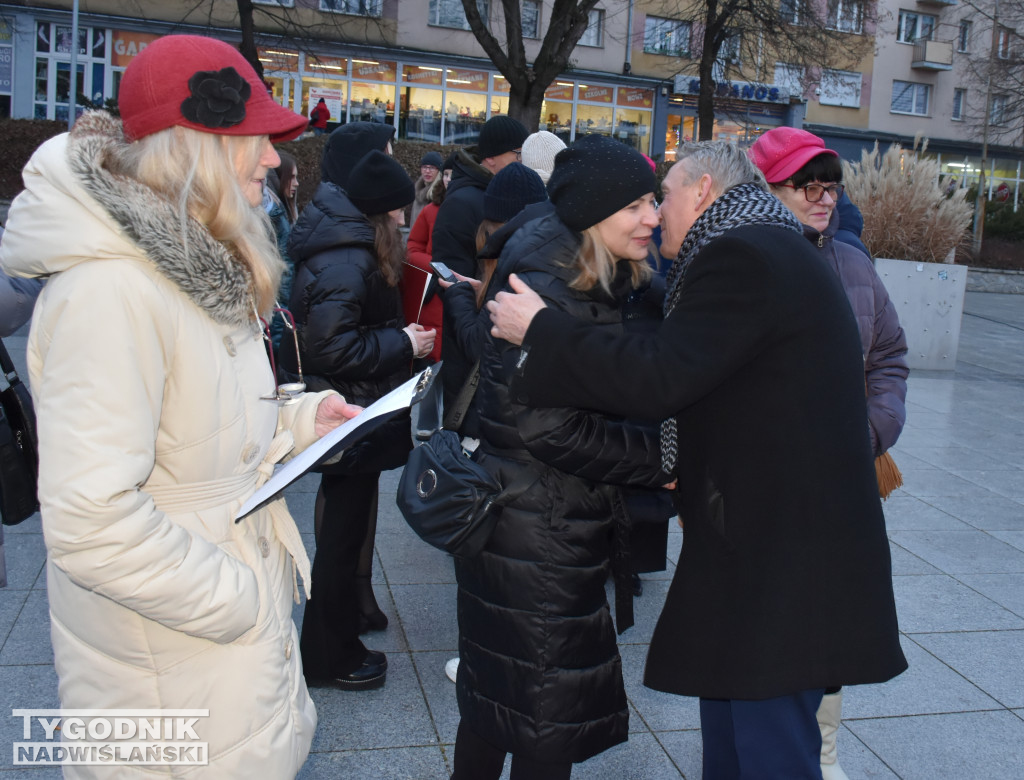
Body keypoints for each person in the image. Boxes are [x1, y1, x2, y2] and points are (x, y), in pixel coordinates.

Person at [486, 140, 908, 779]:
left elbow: (662, 376)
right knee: (738, 739)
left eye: (665, 195)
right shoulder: (763, 245)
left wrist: (542, 329)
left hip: (782, 567)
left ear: (704, 190)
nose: (657, 214)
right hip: (767, 551)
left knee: (769, 753)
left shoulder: (743, 255)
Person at [0, 34, 360, 777]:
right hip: (173, 652)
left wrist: (299, 420)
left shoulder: (189, 264)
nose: (273, 158)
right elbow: (91, 519)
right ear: (196, 146)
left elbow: (199, 427)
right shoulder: (112, 291)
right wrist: (237, 598)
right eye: (256, 139)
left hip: (211, 649)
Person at [450, 135, 671, 780]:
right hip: (541, 524)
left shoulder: (565, 260)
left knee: (499, 698)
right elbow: (550, 431)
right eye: (635, 204)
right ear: (593, 211)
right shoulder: (556, 283)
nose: (652, 217)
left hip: (528, 514)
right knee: (544, 714)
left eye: (654, 200)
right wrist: (659, 459)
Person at [750, 125, 909, 780]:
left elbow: (892, 357)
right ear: (765, 191)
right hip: (769, 488)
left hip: (845, 483)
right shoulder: (742, 264)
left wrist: (871, 431)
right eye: (803, 186)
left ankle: (826, 747)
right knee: (772, 626)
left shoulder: (853, 263)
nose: (822, 197)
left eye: (829, 185)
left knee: (833, 623)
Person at [283, 148, 434, 691]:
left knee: (343, 542)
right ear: (381, 211)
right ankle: (327, 656)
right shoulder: (349, 257)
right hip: (343, 414)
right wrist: (403, 342)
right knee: (340, 545)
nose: (404, 218)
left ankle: (339, 642)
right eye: (399, 210)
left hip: (353, 411)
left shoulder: (350, 245)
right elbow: (328, 345)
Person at [432, 115, 528, 420]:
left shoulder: (492, 194)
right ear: (490, 159)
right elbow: (448, 277)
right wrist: (478, 291)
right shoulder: (465, 202)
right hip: (470, 346)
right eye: (517, 153)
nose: (522, 161)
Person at [403, 160, 450, 366]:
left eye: (453, 175)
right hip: (431, 289)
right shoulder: (431, 210)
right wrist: (436, 266)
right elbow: (413, 246)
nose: (449, 180)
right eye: (447, 174)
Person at [411, 150, 443, 227]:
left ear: (438, 171)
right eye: (424, 167)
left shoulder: (440, 193)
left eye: (432, 168)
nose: (427, 171)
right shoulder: (417, 191)